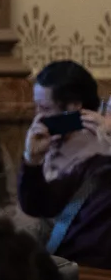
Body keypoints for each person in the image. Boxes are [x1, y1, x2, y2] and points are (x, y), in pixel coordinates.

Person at [17, 58, 111, 269]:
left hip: (87, 270)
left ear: (74, 107)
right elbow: (35, 205)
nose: (38, 118)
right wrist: (32, 162)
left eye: (45, 108)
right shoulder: (51, 143)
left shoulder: (98, 155)